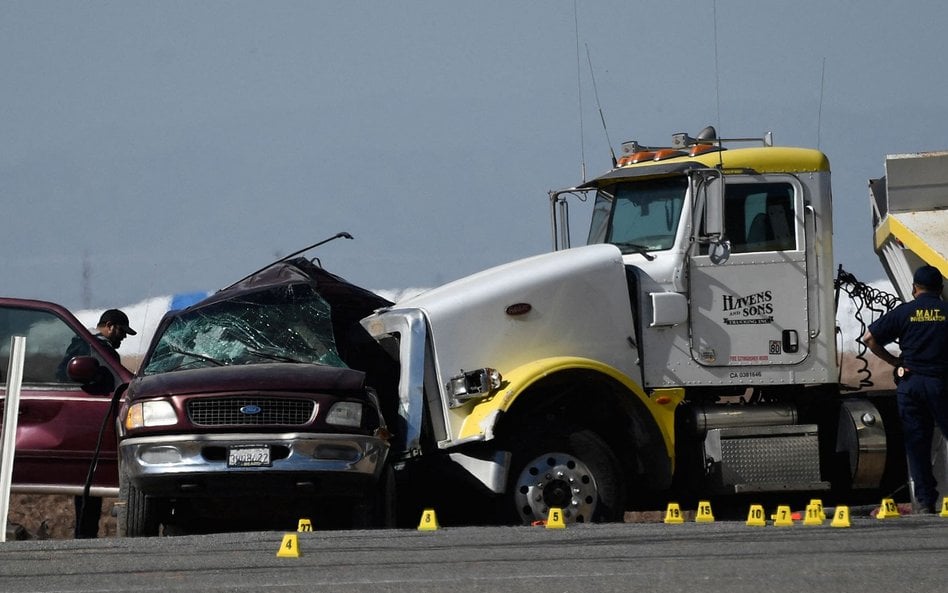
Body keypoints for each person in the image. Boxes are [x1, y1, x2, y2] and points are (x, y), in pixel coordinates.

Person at [863, 265, 948, 514]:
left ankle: (925, 502)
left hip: (911, 384)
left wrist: (895, 362)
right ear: (940, 289)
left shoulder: (905, 312)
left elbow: (869, 338)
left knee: (917, 444)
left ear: (914, 288)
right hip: (940, 383)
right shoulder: (946, 310)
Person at [56, 308, 137, 538]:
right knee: (88, 481)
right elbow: (64, 374)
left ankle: (86, 533)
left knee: (91, 484)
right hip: (89, 422)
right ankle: (84, 535)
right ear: (109, 325)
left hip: (95, 421)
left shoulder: (96, 346)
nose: (123, 337)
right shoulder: (88, 347)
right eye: (121, 331)